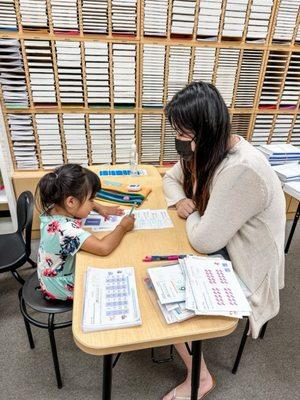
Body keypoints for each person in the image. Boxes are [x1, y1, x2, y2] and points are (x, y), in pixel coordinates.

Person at [162, 81, 286, 399]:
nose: (177, 139)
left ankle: (200, 378)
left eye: (182, 133)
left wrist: (190, 214)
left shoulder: (242, 168)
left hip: (246, 261)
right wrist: (180, 201)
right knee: (161, 254)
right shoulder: (208, 150)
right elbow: (170, 177)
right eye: (176, 131)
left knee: (167, 292)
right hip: (222, 238)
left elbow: (204, 240)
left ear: (204, 129)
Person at [35, 164, 135, 301]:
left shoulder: (55, 207)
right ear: (71, 202)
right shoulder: (66, 229)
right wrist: (123, 226)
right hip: (59, 287)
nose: (93, 203)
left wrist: (100, 208)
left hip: (48, 275)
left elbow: (80, 204)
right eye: (91, 199)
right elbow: (103, 248)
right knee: (116, 277)